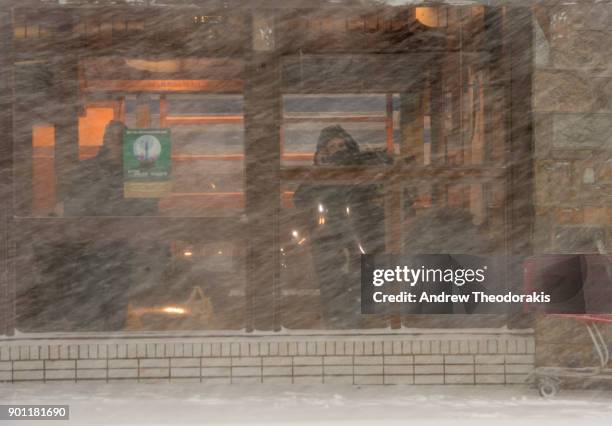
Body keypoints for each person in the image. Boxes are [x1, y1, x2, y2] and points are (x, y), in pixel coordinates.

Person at [293, 125, 388, 328]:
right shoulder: (320, 173)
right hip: (330, 240)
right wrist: (323, 173)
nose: (338, 150)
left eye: (341, 145)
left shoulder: (360, 169)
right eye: (332, 146)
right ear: (323, 151)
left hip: (361, 236)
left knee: (363, 286)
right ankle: (340, 326)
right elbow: (300, 198)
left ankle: (361, 325)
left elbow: (372, 194)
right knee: (334, 289)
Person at [61, 120, 158, 216]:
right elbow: (73, 206)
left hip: (127, 226)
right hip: (94, 226)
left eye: (120, 137)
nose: (115, 141)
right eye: (111, 137)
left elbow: (149, 209)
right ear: (105, 140)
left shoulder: (139, 171)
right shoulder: (86, 168)